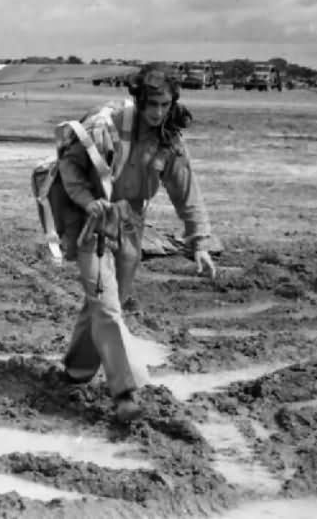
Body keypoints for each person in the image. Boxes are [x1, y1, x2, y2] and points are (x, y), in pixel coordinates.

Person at [56, 63, 216, 421]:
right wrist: (85, 201)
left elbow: (186, 190)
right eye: (152, 105)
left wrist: (199, 241)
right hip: (92, 222)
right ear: (139, 101)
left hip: (131, 227)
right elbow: (69, 166)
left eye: (165, 105)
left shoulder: (170, 138)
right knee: (107, 304)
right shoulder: (105, 125)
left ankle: (77, 371)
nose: (158, 113)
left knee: (107, 302)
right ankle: (126, 392)